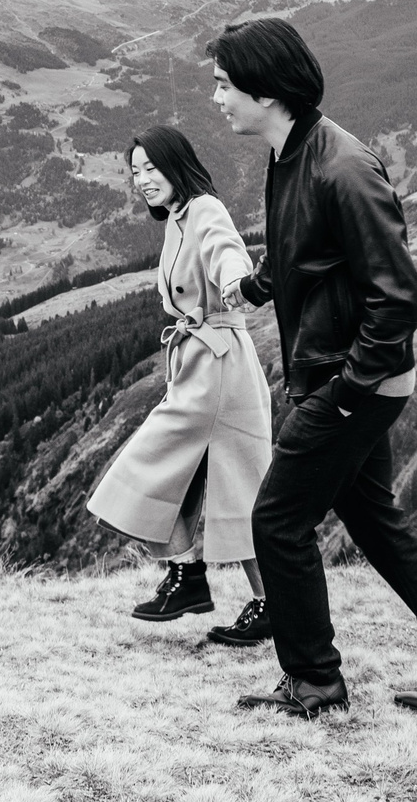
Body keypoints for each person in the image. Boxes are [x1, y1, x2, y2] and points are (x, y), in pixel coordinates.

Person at [210, 16, 417, 719]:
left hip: (356, 382)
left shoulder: (342, 165)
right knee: (373, 517)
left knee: (277, 519)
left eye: (225, 85)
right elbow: (305, 251)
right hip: (345, 376)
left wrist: (350, 387)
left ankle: (315, 679)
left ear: (266, 90)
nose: (217, 98)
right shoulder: (292, 152)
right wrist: (257, 284)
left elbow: (400, 294)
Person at [84, 124, 276, 644]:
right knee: (228, 485)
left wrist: (238, 284)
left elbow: (227, 252)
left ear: (176, 164)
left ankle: (196, 578)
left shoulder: (205, 210)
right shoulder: (175, 218)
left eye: (151, 168)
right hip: (198, 365)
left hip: (217, 369)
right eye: (135, 171)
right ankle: (220, 586)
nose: (142, 179)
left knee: (155, 466)